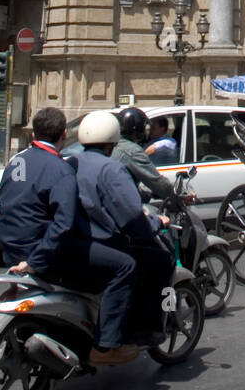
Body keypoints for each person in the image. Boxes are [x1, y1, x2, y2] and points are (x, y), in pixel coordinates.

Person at [0, 107, 139, 366]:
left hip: (11, 250)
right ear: (64, 134)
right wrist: (37, 261)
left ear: (34, 132)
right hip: (42, 254)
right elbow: (63, 224)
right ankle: (106, 347)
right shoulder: (59, 168)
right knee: (125, 266)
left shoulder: (17, 160)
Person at [73, 111, 175, 349]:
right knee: (161, 260)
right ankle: (144, 330)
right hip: (103, 241)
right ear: (112, 140)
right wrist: (156, 223)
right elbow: (132, 218)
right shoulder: (111, 169)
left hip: (75, 239)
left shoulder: (71, 162)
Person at [112, 106, 175, 201]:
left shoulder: (110, 145)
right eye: (145, 127)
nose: (148, 130)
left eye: (153, 128)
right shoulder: (132, 150)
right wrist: (177, 198)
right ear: (137, 128)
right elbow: (157, 181)